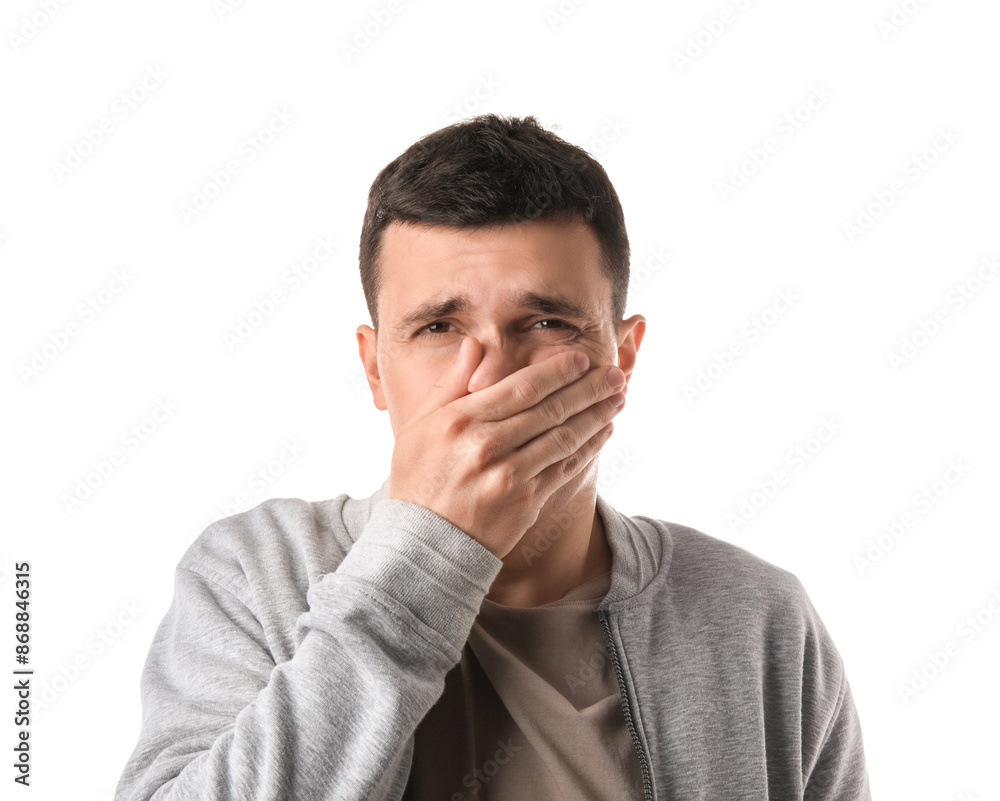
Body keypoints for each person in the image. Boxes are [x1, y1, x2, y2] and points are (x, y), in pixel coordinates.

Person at [113, 114, 871, 800]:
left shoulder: (757, 618)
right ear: (376, 369)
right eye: (440, 327)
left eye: (545, 321)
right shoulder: (254, 574)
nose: (492, 376)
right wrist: (427, 552)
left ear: (624, 358)